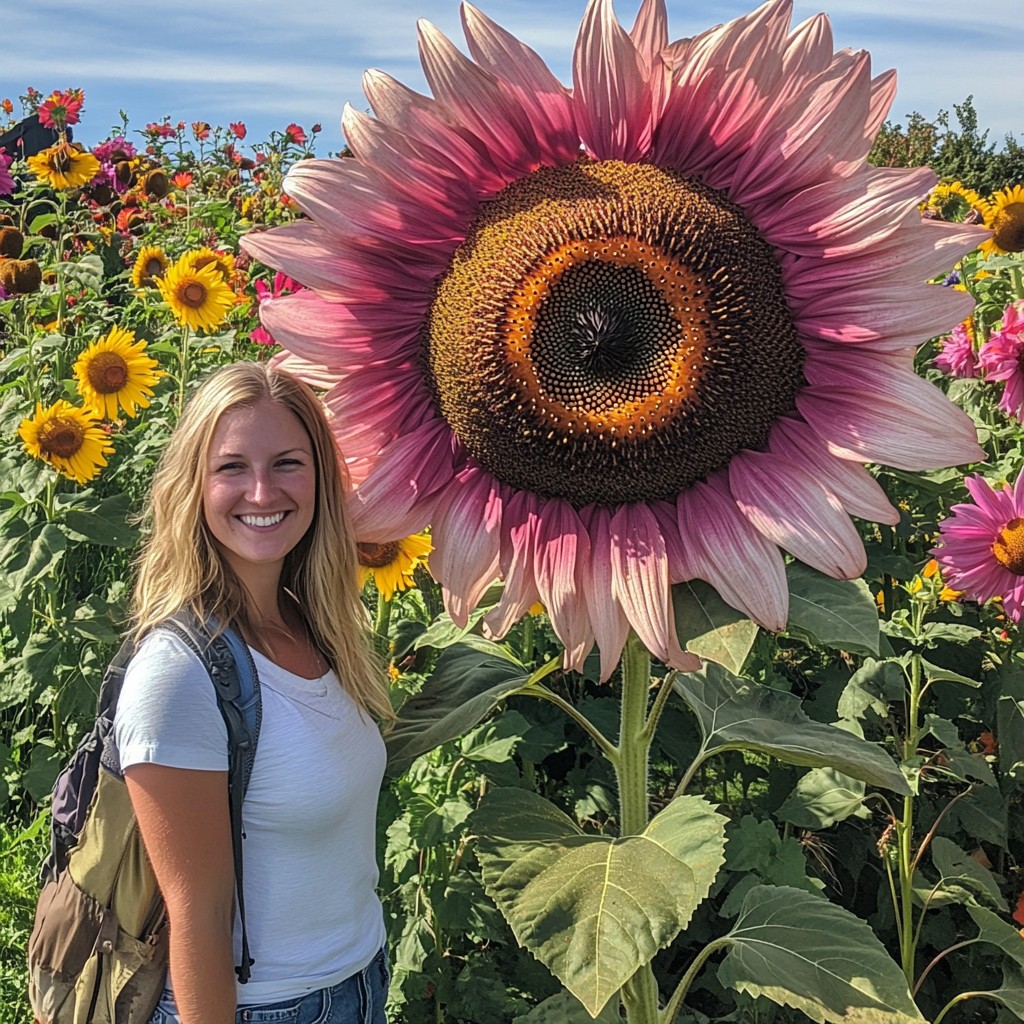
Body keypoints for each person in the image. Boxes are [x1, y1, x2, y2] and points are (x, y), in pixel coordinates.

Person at [114, 361, 394, 1024]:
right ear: (194, 486)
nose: (262, 491)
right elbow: (199, 915)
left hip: (361, 980)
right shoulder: (179, 674)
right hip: (266, 1009)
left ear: (321, 478)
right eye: (232, 467)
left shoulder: (314, 626)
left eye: (288, 463)